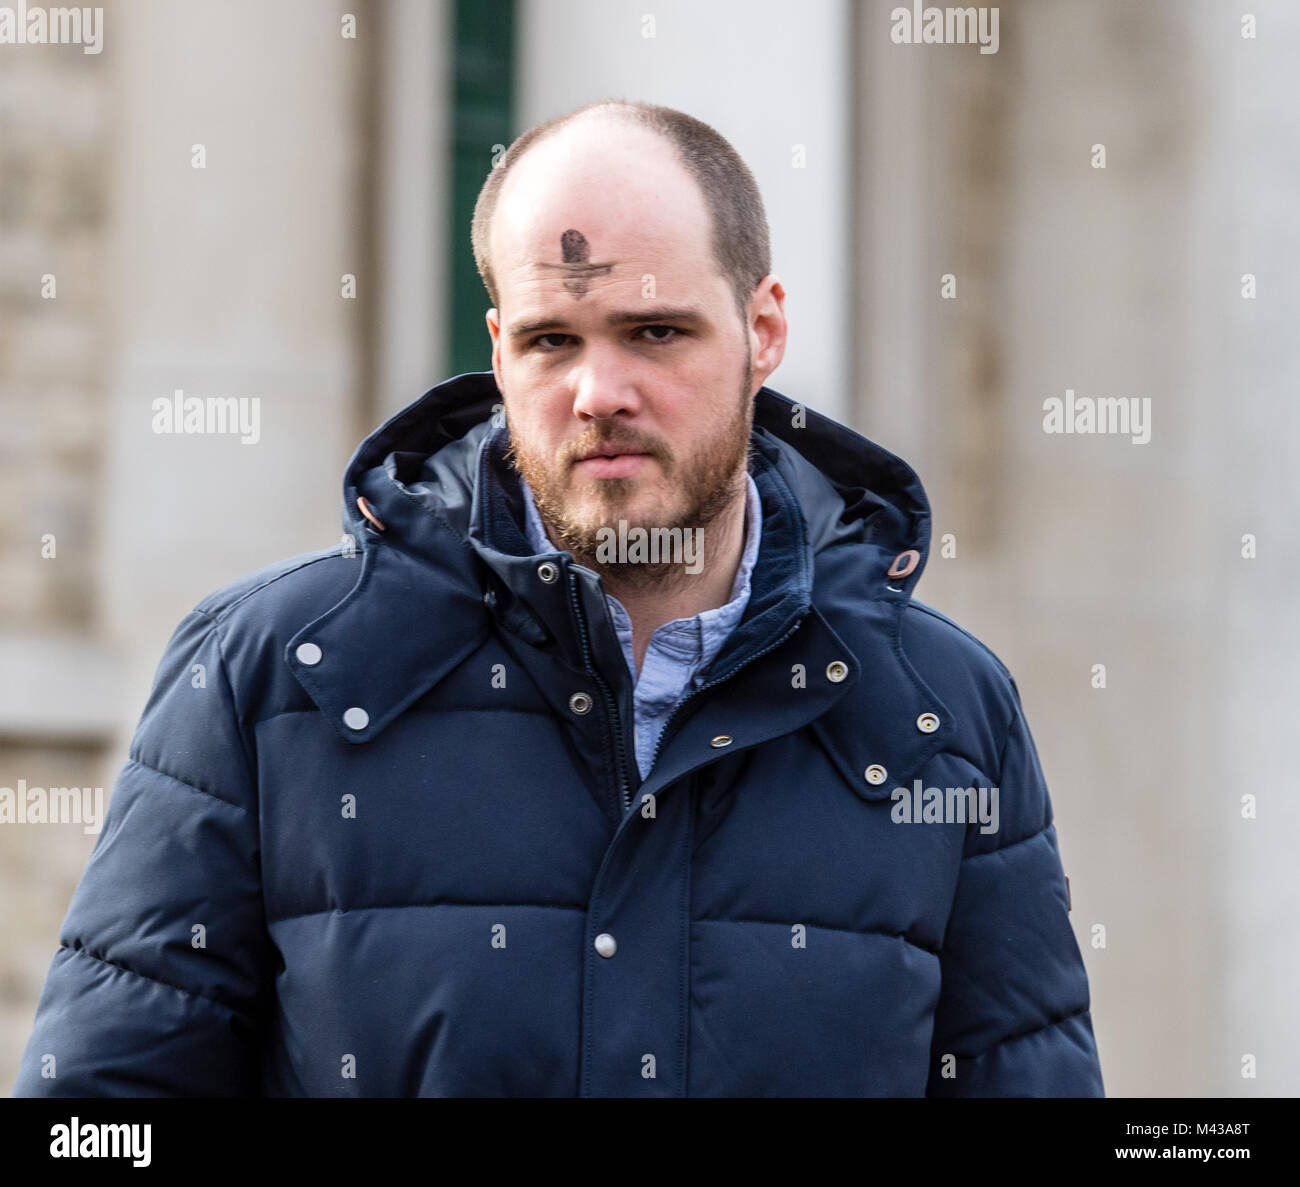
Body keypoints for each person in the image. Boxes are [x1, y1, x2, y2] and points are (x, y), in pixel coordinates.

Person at [12, 99, 1103, 1097]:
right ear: (498, 351)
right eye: (551, 341)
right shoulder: (269, 673)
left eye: (655, 332)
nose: (600, 394)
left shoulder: (941, 713)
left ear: (763, 330)